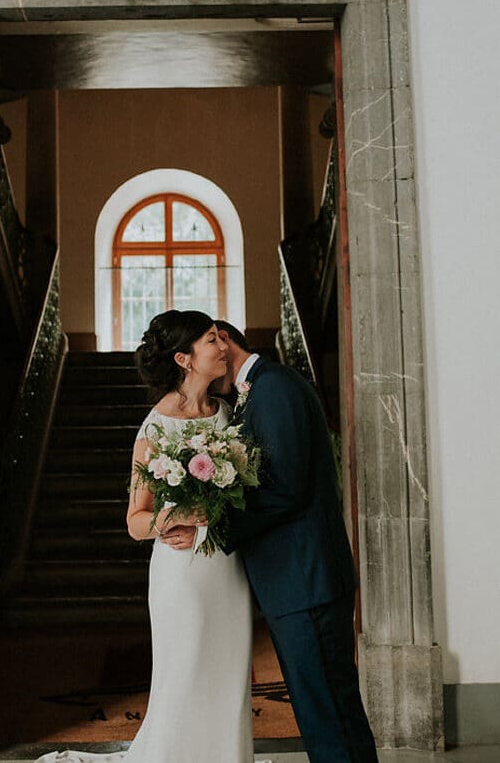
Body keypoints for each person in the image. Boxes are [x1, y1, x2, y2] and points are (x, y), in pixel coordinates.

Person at [37, 310, 257, 763]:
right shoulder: (156, 427)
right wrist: (176, 515)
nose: (223, 347)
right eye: (212, 340)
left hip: (227, 568)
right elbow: (135, 521)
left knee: (230, 668)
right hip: (182, 573)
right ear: (184, 358)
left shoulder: (229, 414)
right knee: (185, 669)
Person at [216, 320, 379, 763]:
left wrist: (217, 524)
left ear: (222, 339)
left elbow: (286, 487)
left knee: (329, 714)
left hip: (306, 577)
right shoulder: (255, 395)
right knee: (324, 711)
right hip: (295, 581)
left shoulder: (274, 389)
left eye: (206, 349)